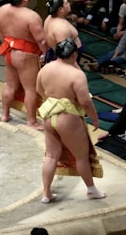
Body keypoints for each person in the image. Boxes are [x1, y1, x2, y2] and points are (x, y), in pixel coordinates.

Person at [36, 39, 105, 202]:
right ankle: (91, 190)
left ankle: (46, 194)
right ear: (74, 54)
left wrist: (55, 99)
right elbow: (85, 102)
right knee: (81, 156)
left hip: (48, 114)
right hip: (68, 118)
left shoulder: (45, 68)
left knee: (51, 155)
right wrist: (95, 119)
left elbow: (39, 90)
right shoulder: (76, 74)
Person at [0, 0, 45, 126]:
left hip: (9, 50)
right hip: (26, 54)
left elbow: (1, 33)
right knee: (30, 89)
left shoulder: (2, 10)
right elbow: (41, 40)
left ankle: (5, 115)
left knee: (10, 85)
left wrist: (8, 45)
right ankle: (31, 121)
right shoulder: (31, 16)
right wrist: (45, 55)